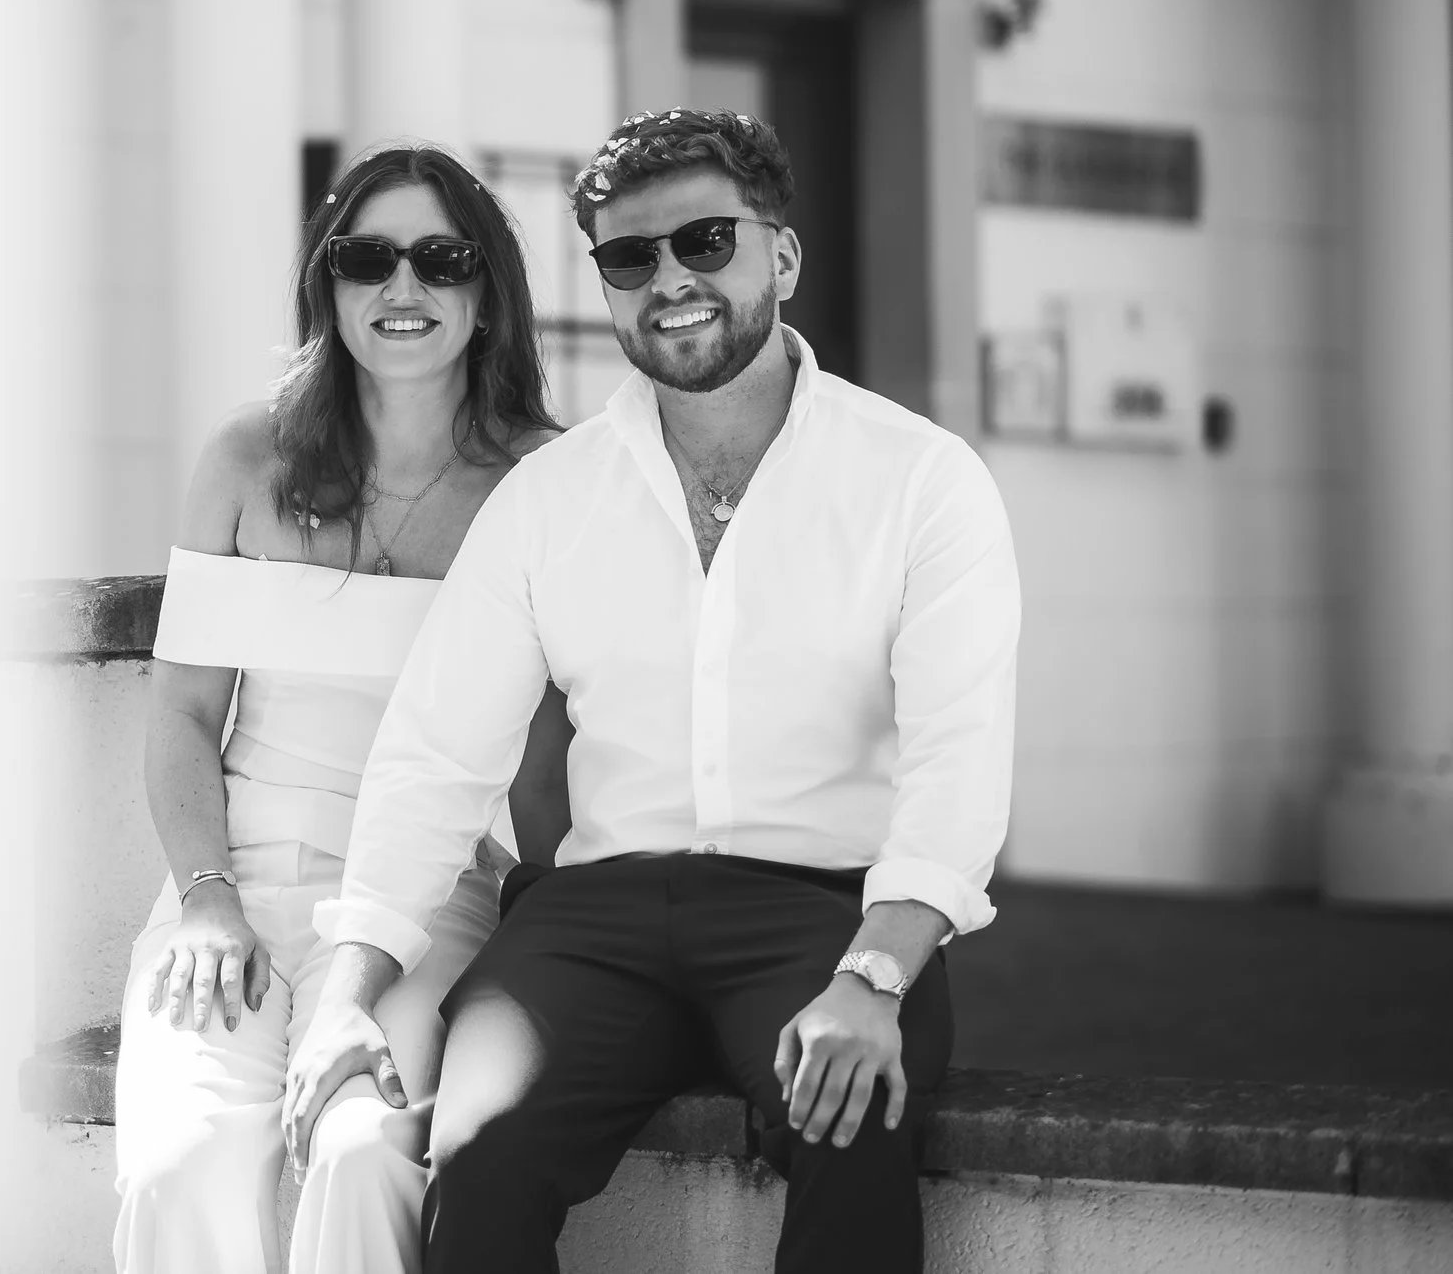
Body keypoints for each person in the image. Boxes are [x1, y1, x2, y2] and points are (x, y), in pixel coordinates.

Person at [284, 108, 1021, 1273]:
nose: (670, 278)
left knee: (854, 1123)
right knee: (475, 1156)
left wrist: (873, 974)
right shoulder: (547, 497)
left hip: (821, 912)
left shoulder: (921, 481)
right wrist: (347, 992)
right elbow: (435, 756)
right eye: (631, 257)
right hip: (591, 924)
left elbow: (958, 757)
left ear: (780, 255)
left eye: (705, 241)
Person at [113, 144, 569, 1274]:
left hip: (425, 898)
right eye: (367, 257)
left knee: (364, 1147)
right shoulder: (246, 457)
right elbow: (179, 715)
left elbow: (556, 753)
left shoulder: (544, 484)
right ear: (328, 282)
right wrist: (205, 898)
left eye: (439, 257)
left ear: (486, 291)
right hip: (235, 879)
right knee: (182, 1162)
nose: (400, 288)